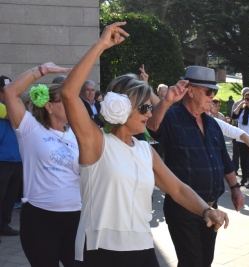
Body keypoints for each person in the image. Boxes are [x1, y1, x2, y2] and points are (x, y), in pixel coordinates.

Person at [60, 22, 229, 267]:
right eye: (144, 107)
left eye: (149, 106)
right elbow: (68, 93)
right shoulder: (95, 142)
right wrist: (101, 46)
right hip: (100, 251)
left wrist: (206, 210)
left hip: (142, 248)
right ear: (119, 107)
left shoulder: (145, 150)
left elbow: (178, 189)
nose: (149, 112)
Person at [147, 65, 245, 267]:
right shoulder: (172, 117)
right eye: (208, 91)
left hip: (211, 206)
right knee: (192, 262)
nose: (213, 96)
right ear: (190, 91)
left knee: (204, 262)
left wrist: (235, 188)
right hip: (183, 208)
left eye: (214, 91)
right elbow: (152, 128)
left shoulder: (211, 124)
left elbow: (223, 159)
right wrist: (166, 100)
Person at [2, 64, 80, 267]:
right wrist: (43, 70)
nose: (73, 105)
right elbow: (10, 92)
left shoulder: (78, 133)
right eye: (65, 101)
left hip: (76, 218)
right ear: (49, 105)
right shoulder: (30, 129)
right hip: (40, 220)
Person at [0, 76, 22, 243]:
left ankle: (4, 224)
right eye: (5, 91)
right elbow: (14, 116)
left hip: (16, 158)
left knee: (10, 194)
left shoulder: (11, 105)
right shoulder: (4, 108)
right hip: (3, 158)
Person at [231, 87, 249, 174]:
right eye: (246, 94)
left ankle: (247, 170)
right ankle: (234, 169)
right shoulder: (237, 104)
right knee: (236, 151)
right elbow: (234, 117)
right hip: (237, 129)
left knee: (247, 152)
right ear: (242, 95)